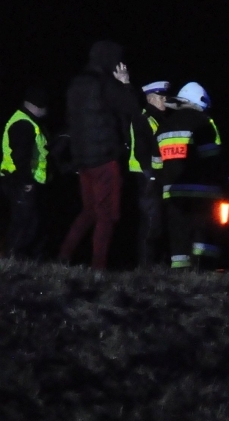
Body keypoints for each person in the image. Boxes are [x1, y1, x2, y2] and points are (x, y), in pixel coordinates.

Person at [60, 40, 139, 270]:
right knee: (107, 216)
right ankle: (98, 268)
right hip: (104, 159)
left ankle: (63, 256)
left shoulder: (75, 84)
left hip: (83, 160)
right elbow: (132, 108)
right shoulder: (105, 84)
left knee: (88, 212)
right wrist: (125, 84)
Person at [156, 82, 224, 270]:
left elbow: (156, 164)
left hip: (173, 192)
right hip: (204, 191)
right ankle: (205, 270)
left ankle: (180, 274)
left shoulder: (164, 126)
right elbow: (213, 157)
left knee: (178, 233)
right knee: (204, 233)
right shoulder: (204, 122)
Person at [1, 85, 50, 258]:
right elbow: (20, 156)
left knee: (28, 223)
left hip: (19, 181)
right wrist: (26, 181)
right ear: (37, 105)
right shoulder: (23, 124)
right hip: (18, 182)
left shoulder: (27, 121)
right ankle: (13, 259)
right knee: (24, 224)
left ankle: (17, 259)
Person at [131, 81, 170, 267]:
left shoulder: (159, 119)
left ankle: (156, 265)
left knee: (158, 222)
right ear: (150, 99)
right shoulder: (144, 118)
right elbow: (142, 152)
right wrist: (153, 175)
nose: (165, 101)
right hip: (147, 177)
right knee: (151, 222)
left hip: (157, 176)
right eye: (161, 97)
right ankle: (145, 267)